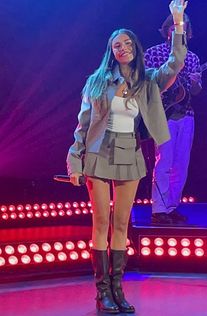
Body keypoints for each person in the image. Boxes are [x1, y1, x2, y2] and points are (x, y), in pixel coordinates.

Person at [67, 0, 187, 313]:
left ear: (135, 47)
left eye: (128, 42)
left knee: (121, 225)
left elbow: (175, 62)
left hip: (129, 153)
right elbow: (82, 126)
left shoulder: (148, 80)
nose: (123, 47)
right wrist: (74, 162)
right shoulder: (96, 82)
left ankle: (118, 290)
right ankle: (101, 292)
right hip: (98, 154)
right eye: (117, 45)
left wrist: (177, 23)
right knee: (101, 223)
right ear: (111, 51)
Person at [144, 12, 202, 226]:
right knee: (164, 162)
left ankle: (171, 206)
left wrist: (195, 82)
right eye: (176, 26)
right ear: (167, 29)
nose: (180, 30)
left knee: (181, 164)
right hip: (163, 114)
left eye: (184, 26)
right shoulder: (153, 53)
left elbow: (196, 91)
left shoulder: (193, 58)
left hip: (186, 115)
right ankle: (158, 209)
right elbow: (146, 83)